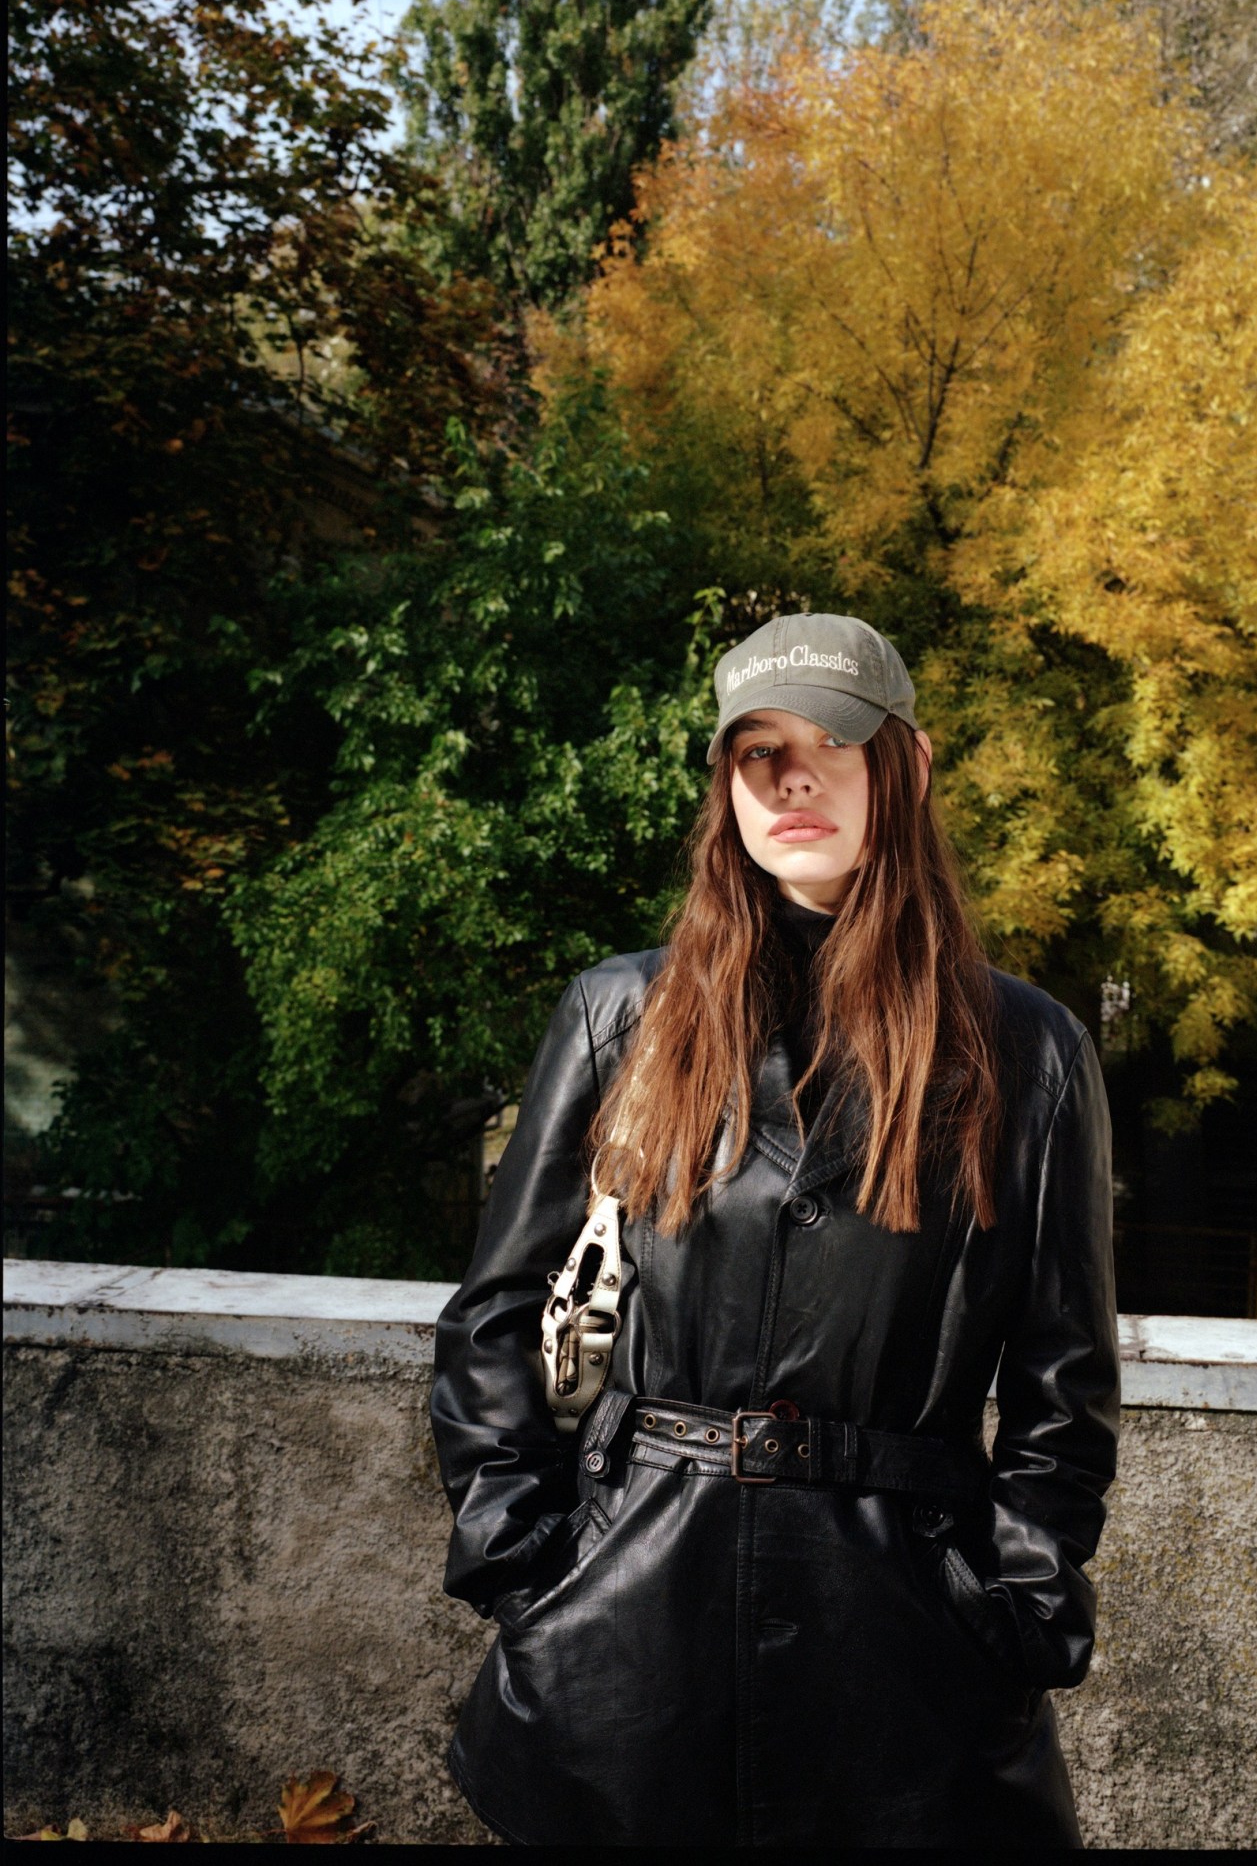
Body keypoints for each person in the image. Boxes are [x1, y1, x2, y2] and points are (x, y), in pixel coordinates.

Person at [430, 613, 1119, 1849]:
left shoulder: (1027, 1050)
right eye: (758, 752)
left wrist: (1011, 1607)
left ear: (902, 769)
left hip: (908, 1642)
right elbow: (493, 1314)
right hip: (628, 1622)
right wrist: (526, 1565)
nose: (790, 779)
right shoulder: (620, 1014)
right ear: (726, 785)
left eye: (829, 743)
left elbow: (1063, 1381)